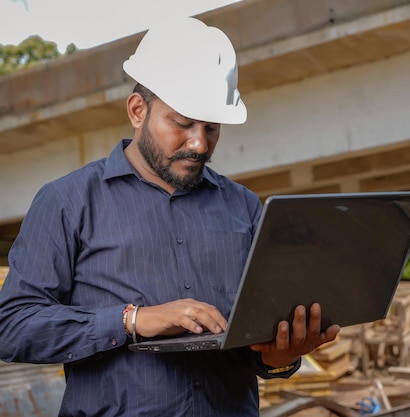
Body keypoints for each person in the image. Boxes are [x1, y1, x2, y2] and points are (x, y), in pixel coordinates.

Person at [0, 17, 340, 417]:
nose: (199, 143)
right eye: (182, 123)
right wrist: (133, 321)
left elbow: (256, 346)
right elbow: (13, 326)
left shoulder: (244, 207)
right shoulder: (68, 201)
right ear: (138, 109)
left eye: (212, 128)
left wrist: (280, 354)